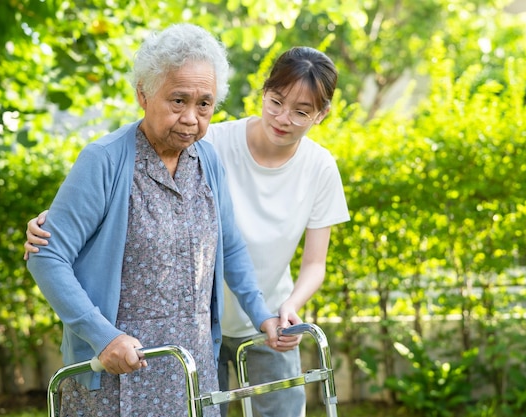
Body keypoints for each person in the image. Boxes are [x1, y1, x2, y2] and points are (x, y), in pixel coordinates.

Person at [25, 46, 349, 417]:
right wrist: (104, 338)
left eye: (205, 105)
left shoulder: (206, 158)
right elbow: (48, 255)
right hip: (118, 368)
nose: (191, 118)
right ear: (143, 94)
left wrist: (262, 314)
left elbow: (230, 245)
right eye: (178, 101)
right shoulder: (105, 159)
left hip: (191, 368)